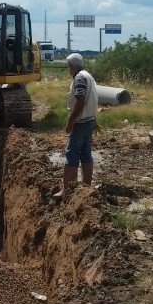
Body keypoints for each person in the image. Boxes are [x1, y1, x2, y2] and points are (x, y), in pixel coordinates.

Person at [55, 53, 99, 199]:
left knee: (72, 154)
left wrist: (70, 121)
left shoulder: (79, 77)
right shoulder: (88, 76)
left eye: (69, 67)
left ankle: (66, 190)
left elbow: (80, 101)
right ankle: (86, 187)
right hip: (89, 120)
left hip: (81, 122)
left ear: (72, 66)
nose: (69, 70)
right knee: (86, 154)